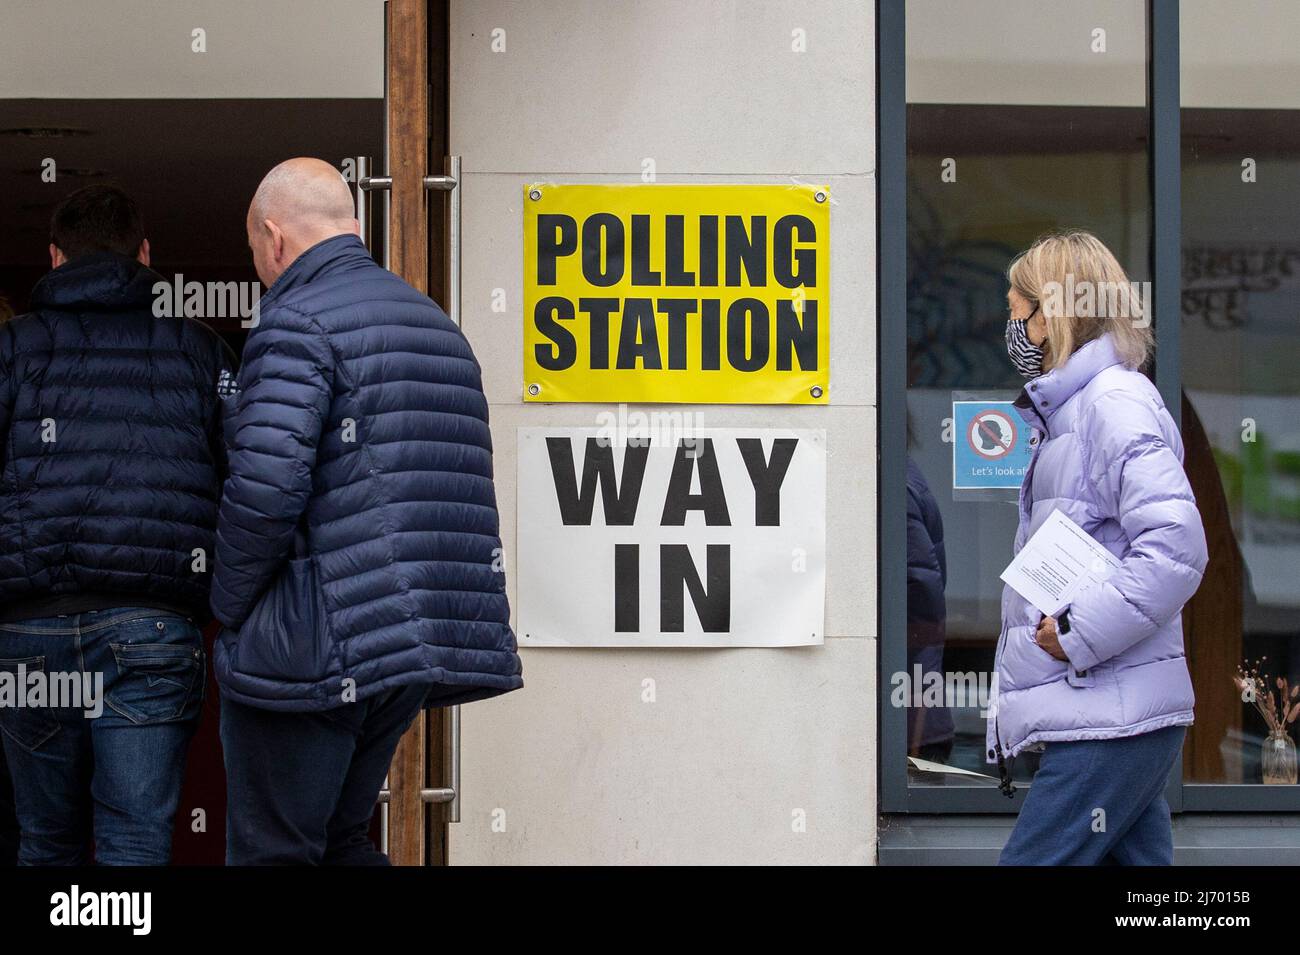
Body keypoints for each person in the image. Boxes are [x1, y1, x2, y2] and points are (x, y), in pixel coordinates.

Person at [212, 158, 522, 866]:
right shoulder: (438, 327)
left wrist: (230, 604)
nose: (262, 269)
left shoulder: (296, 321)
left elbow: (263, 487)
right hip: (404, 649)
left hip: (314, 642)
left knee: (276, 849)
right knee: (341, 840)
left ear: (273, 234)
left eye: (257, 253)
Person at [0, 184, 233, 865]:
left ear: (52, 257)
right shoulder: (199, 350)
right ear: (146, 253)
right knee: (135, 839)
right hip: (153, 630)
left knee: (44, 840)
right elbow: (255, 480)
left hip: (29, 629)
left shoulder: (13, 349)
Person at [989, 230, 1207, 865]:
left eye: (1016, 311)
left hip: (1107, 714)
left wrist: (1078, 629)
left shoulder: (1113, 404)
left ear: (1051, 313)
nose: (1011, 329)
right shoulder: (1076, 412)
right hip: (1113, 711)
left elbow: (1176, 549)